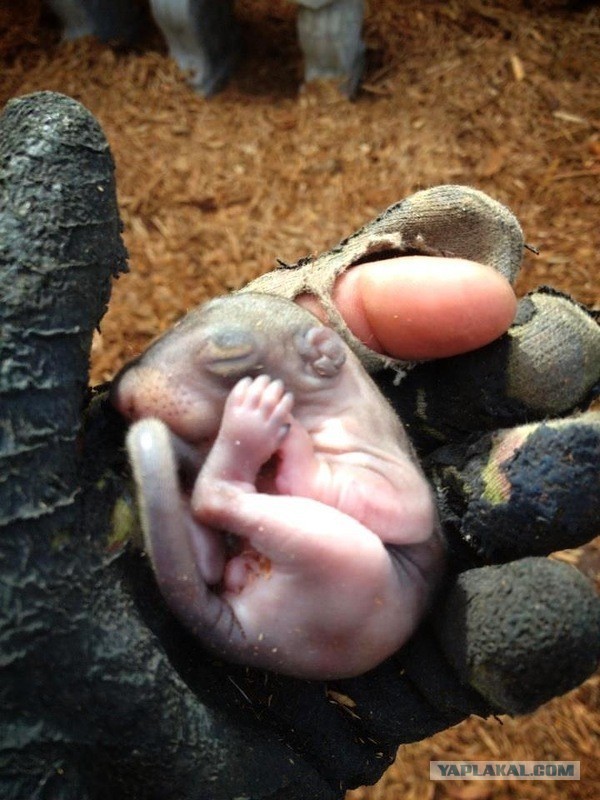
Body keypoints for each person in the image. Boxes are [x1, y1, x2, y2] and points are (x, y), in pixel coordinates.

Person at [2, 91, 598, 800]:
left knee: (310, 536)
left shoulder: (361, 476)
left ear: (320, 356)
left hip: (317, 606)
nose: (143, 393)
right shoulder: (312, 455)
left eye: (217, 360)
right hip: (266, 606)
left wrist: (234, 477)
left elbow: (391, 526)